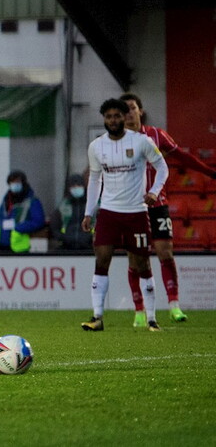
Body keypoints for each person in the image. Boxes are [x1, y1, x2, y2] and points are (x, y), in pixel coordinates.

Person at [119, 93, 216, 324]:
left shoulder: (156, 135)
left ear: (140, 111)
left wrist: (210, 172)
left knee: (165, 252)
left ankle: (174, 306)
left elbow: (182, 157)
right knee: (135, 260)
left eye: (132, 108)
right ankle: (139, 311)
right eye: (124, 110)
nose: (129, 113)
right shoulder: (115, 142)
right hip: (131, 207)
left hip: (158, 203)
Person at [81, 98, 168, 332]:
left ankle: (151, 318)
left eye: (117, 116)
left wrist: (154, 191)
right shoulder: (96, 146)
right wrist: (89, 212)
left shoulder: (141, 142)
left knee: (142, 264)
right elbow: (95, 180)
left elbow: (162, 167)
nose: (113, 120)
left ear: (124, 117)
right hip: (109, 213)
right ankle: (97, 317)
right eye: (108, 117)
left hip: (136, 212)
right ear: (104, 119)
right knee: (101, 260)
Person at [0, 170, 46, 253]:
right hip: (1, 245)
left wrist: (18, 228)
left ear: (23, 183)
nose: (14, 185)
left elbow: (38, 221)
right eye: (12, 182)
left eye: (17, 182)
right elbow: (0, 216)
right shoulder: (6, 199)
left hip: (19, 247)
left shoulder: (32, 201)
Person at [50, 173, 92, 251]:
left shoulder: (91, 206)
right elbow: (55, 228)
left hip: (89, 248)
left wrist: (89, 238)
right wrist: (64, 238)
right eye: (73, 186)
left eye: (79, 185)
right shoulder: (62, 207)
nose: (76, 188)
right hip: (66, 248)